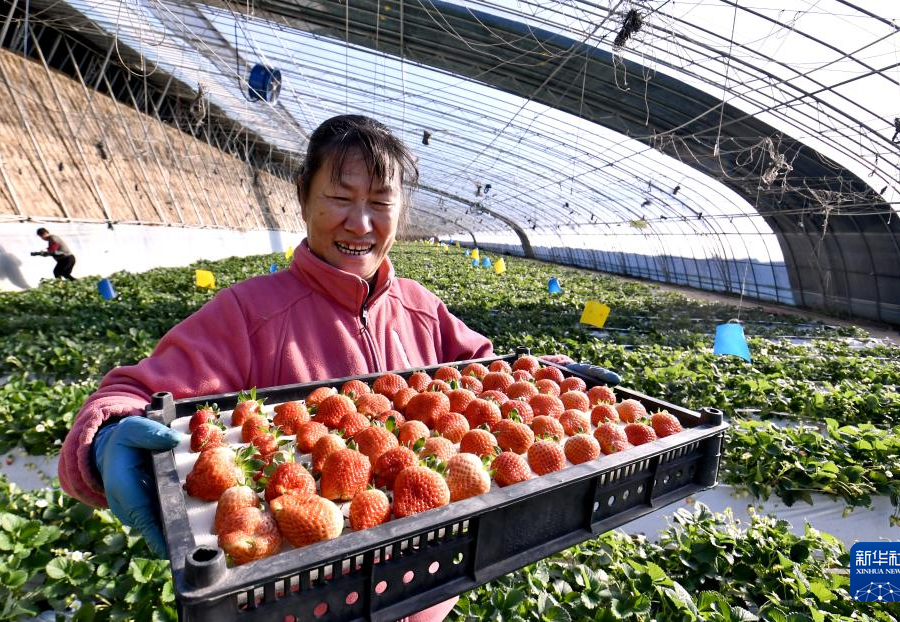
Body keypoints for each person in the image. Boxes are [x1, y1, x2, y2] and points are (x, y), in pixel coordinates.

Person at [57, 115, 617, 621]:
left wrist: (551, 371)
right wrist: (104, 437)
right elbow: (132, 391)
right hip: (299, 598)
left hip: (429, 587)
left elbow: (484, 368)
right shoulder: (249, 312)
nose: (360, 223)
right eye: (340, 197)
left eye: (380, 202)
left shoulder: (421, 306)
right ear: (303, 198)